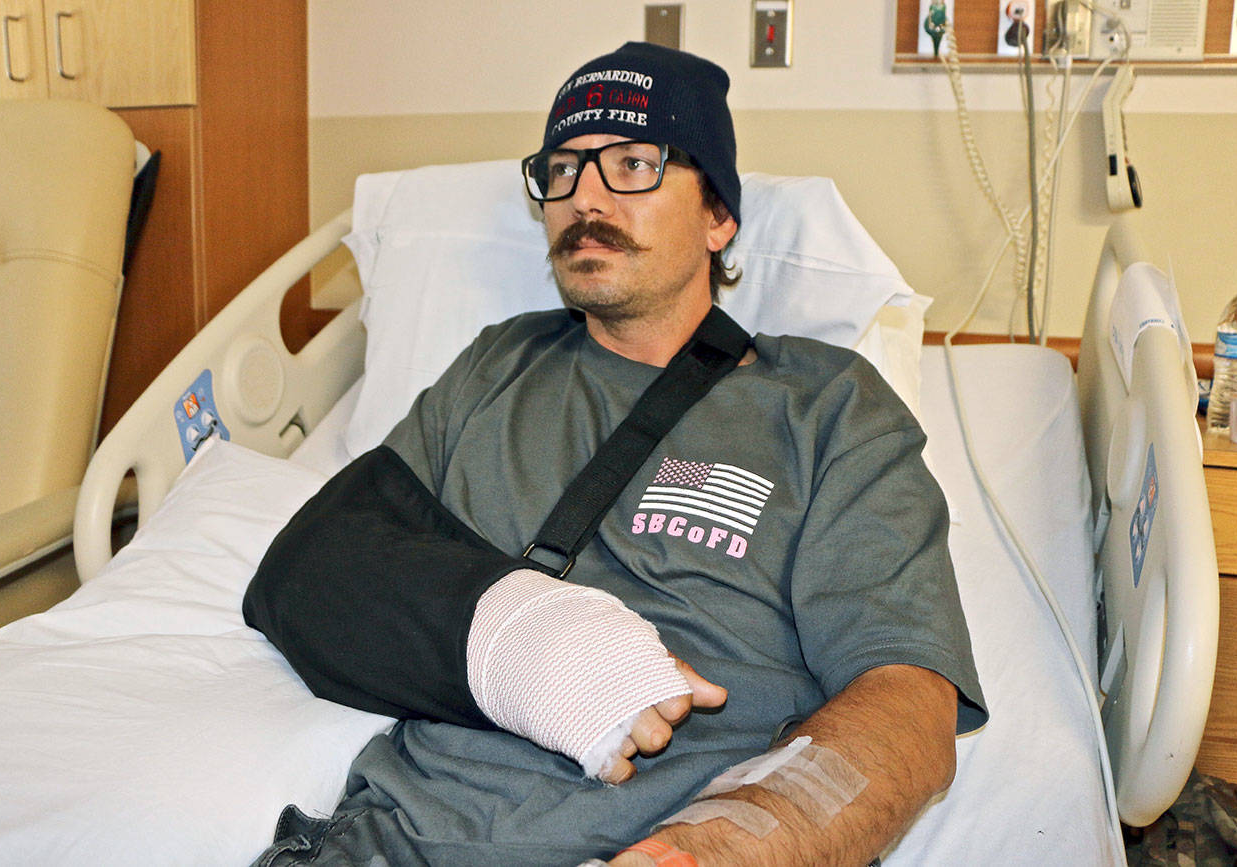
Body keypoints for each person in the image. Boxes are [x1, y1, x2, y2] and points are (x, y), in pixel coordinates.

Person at [246, 42, 986, 867]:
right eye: (561, 170)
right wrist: (524, 641)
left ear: (718, 217)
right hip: (399, 843)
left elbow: (908, 706)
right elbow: (313, 571)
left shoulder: (827, 406)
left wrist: (723, 850)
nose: (584, 198)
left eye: (632, 163)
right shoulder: (498, 366)